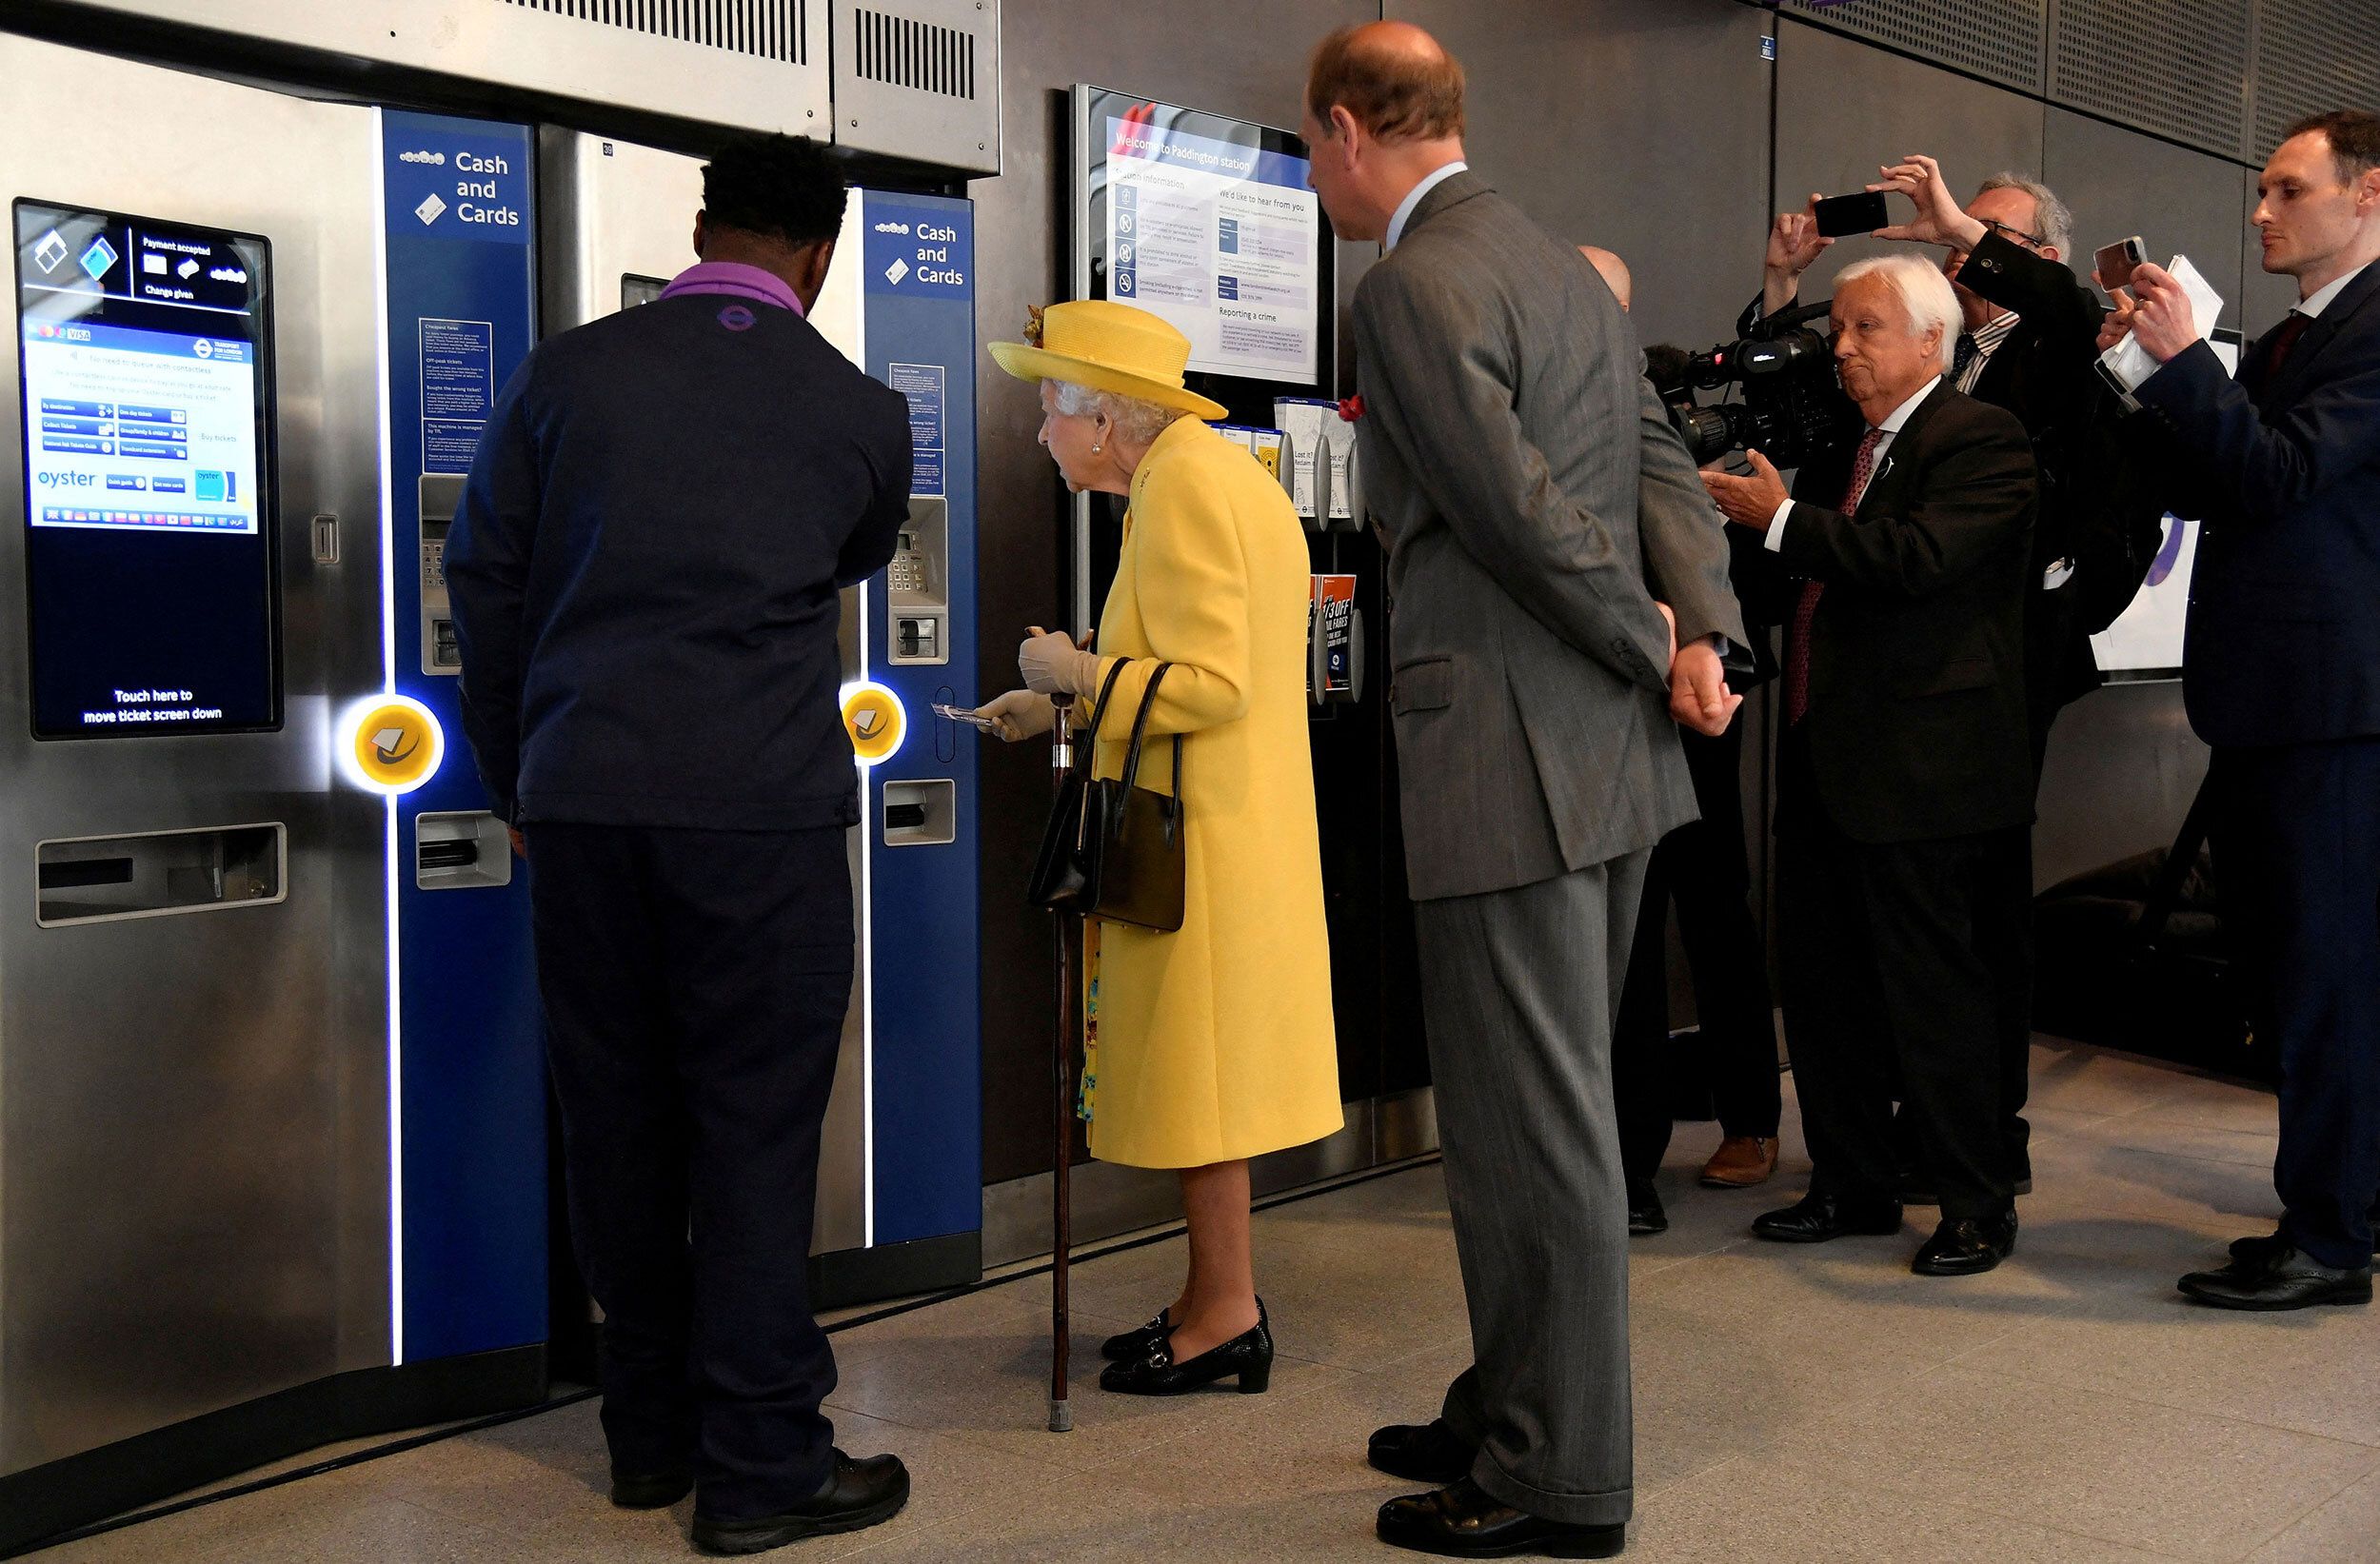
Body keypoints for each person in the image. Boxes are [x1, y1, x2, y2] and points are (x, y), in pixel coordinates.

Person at [1302, 22, 1743, 1559]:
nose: (1316, 176)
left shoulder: (1408, 287)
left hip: (1510, 749)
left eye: (1311, 147)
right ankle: (1512, 1396)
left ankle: (1556, 1475)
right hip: (1608, 757)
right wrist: (1705, 640)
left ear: (1354, 131)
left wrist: (1650, 638)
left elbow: (1514, 511)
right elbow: (1663, 469)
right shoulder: (1557, 263)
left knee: (1526, 1130)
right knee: (1537, 1114)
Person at [445, 133, 913, 1555]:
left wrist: (528, 770)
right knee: (754, 1137)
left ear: (701, 225)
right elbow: (848, 555)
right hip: (761, 813)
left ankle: (647, 1441)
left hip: (584, 804)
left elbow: (486, 573)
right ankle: (762, 1462)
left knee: (619, 1123)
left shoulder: (566, 374)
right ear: (821, 258)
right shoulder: (862, 410)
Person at [976, 299, 1342, 1391]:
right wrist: (1057, 706)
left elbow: (1213, 684)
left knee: (1204, 1080)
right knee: (1202, 1080)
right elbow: (1190, 653)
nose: (1042, 433)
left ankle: (1225, 1309)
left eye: (1050, 410)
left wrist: (1077, 678)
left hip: (1202, 848)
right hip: (1218, 833)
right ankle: (1209, 1296)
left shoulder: (1185, 485)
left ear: (1106, 420)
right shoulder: (1199, 474)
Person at [1703, 254, 2037, 1278]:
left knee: (1933, 997)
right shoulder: (1848, 447)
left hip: (1923, 776)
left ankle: (1975, 1202)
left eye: (1865, 329)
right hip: (1823, 754)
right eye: (1838, 328)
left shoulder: (1981, 438)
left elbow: (1914, 562)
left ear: (1931, 341)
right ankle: (1850, 1184)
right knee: (1822, 988)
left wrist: (1786, 523)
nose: (1841, 348)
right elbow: (1799, 577)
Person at [2098, 109, 2380, 1311]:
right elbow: (2202, 480)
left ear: (2367, 193)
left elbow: (2278, 474)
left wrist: (2188, 366)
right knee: (2301, 972)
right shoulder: (2285, 339)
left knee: (2325, 977)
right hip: (2276, 698)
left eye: (2285, 189)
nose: (2259, 211)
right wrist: (2141, 370)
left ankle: (2325, 1238)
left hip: (2332, 706)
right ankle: (2343, 1201)